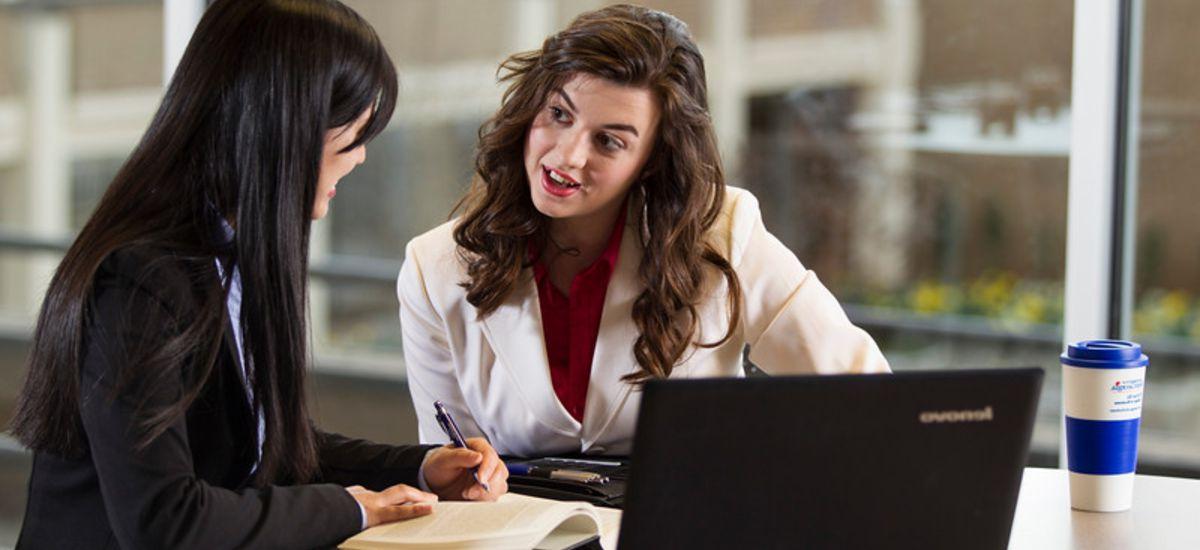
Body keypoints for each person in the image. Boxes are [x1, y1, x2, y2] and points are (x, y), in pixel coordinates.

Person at [9, 1, 506, 548]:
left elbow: (266, 448)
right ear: (284, 127)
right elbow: (165, 523)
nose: (360, 157)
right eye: (351, 137)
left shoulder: (231, 254)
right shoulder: (137, 281)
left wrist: (420, 467)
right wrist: (353, 509)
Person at [397, 3, 891, 459]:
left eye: (609, 141)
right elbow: (449, 472)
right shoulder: (434, 267)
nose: (567, 155)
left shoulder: (723, 232)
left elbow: (860, 393)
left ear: (654, 160)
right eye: (559, 114)